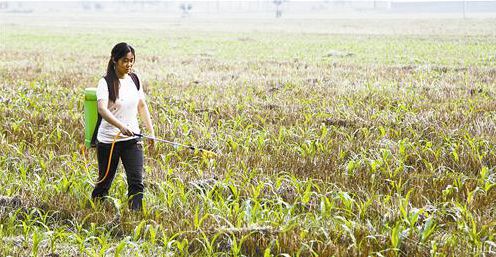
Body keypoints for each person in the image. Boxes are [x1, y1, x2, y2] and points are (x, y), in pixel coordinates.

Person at [91, 42, 154, 211]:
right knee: (104, 183)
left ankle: (135, 216)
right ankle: (95, 212)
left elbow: (141, 105)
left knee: (136, 182)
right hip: (109, 140)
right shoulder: (105, 82)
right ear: (115, 60)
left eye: (132, 60)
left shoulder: (134, 79)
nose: (129, 65)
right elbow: (102, 109)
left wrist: (151, 132)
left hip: (132, 139)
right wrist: (120, 126)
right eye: (125, 61)